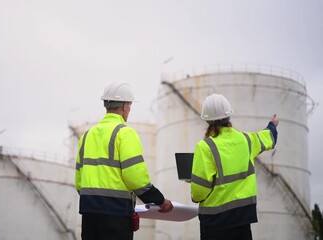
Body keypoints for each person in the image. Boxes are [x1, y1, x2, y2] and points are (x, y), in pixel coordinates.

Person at [75, 81, 174, 240]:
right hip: (116, 217)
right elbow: (135, 178)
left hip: (89, 216)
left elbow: (79, 183)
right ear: (125, 106)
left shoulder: (87, 136)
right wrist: (160, 200)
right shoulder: (125, 133)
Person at [190, 93, 279, 240]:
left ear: (207, 120)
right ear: (228, 116)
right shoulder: (246, 140)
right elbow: (268, 138)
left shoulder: (205, 146)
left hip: (214, 222)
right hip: (243, 218)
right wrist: (272, 125)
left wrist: (195, 195)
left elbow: (199, 191)